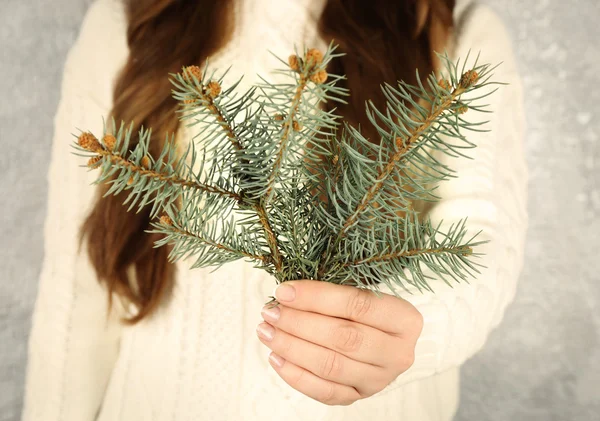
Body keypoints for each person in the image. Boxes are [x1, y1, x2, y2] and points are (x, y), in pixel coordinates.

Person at [22, 0, 528, 419]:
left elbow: (480, 242)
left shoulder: (451, 27)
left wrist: (415, 333)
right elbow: (76, 293)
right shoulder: (129, 20)